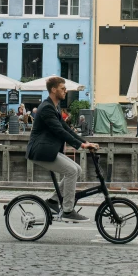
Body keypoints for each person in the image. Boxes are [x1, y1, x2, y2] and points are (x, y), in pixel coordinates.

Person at [26, 76, 99, 222]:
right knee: (71, 171)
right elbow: (60, 131)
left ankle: (53, 201)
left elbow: (66, 128)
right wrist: (81, 146)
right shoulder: (46, 107)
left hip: (48, 150)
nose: (65, 91)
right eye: (62, 88)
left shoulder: (54, 106)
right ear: (53, 90)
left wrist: (85, 141)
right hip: (40, 151)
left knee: (77, 169)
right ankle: (67, 210)